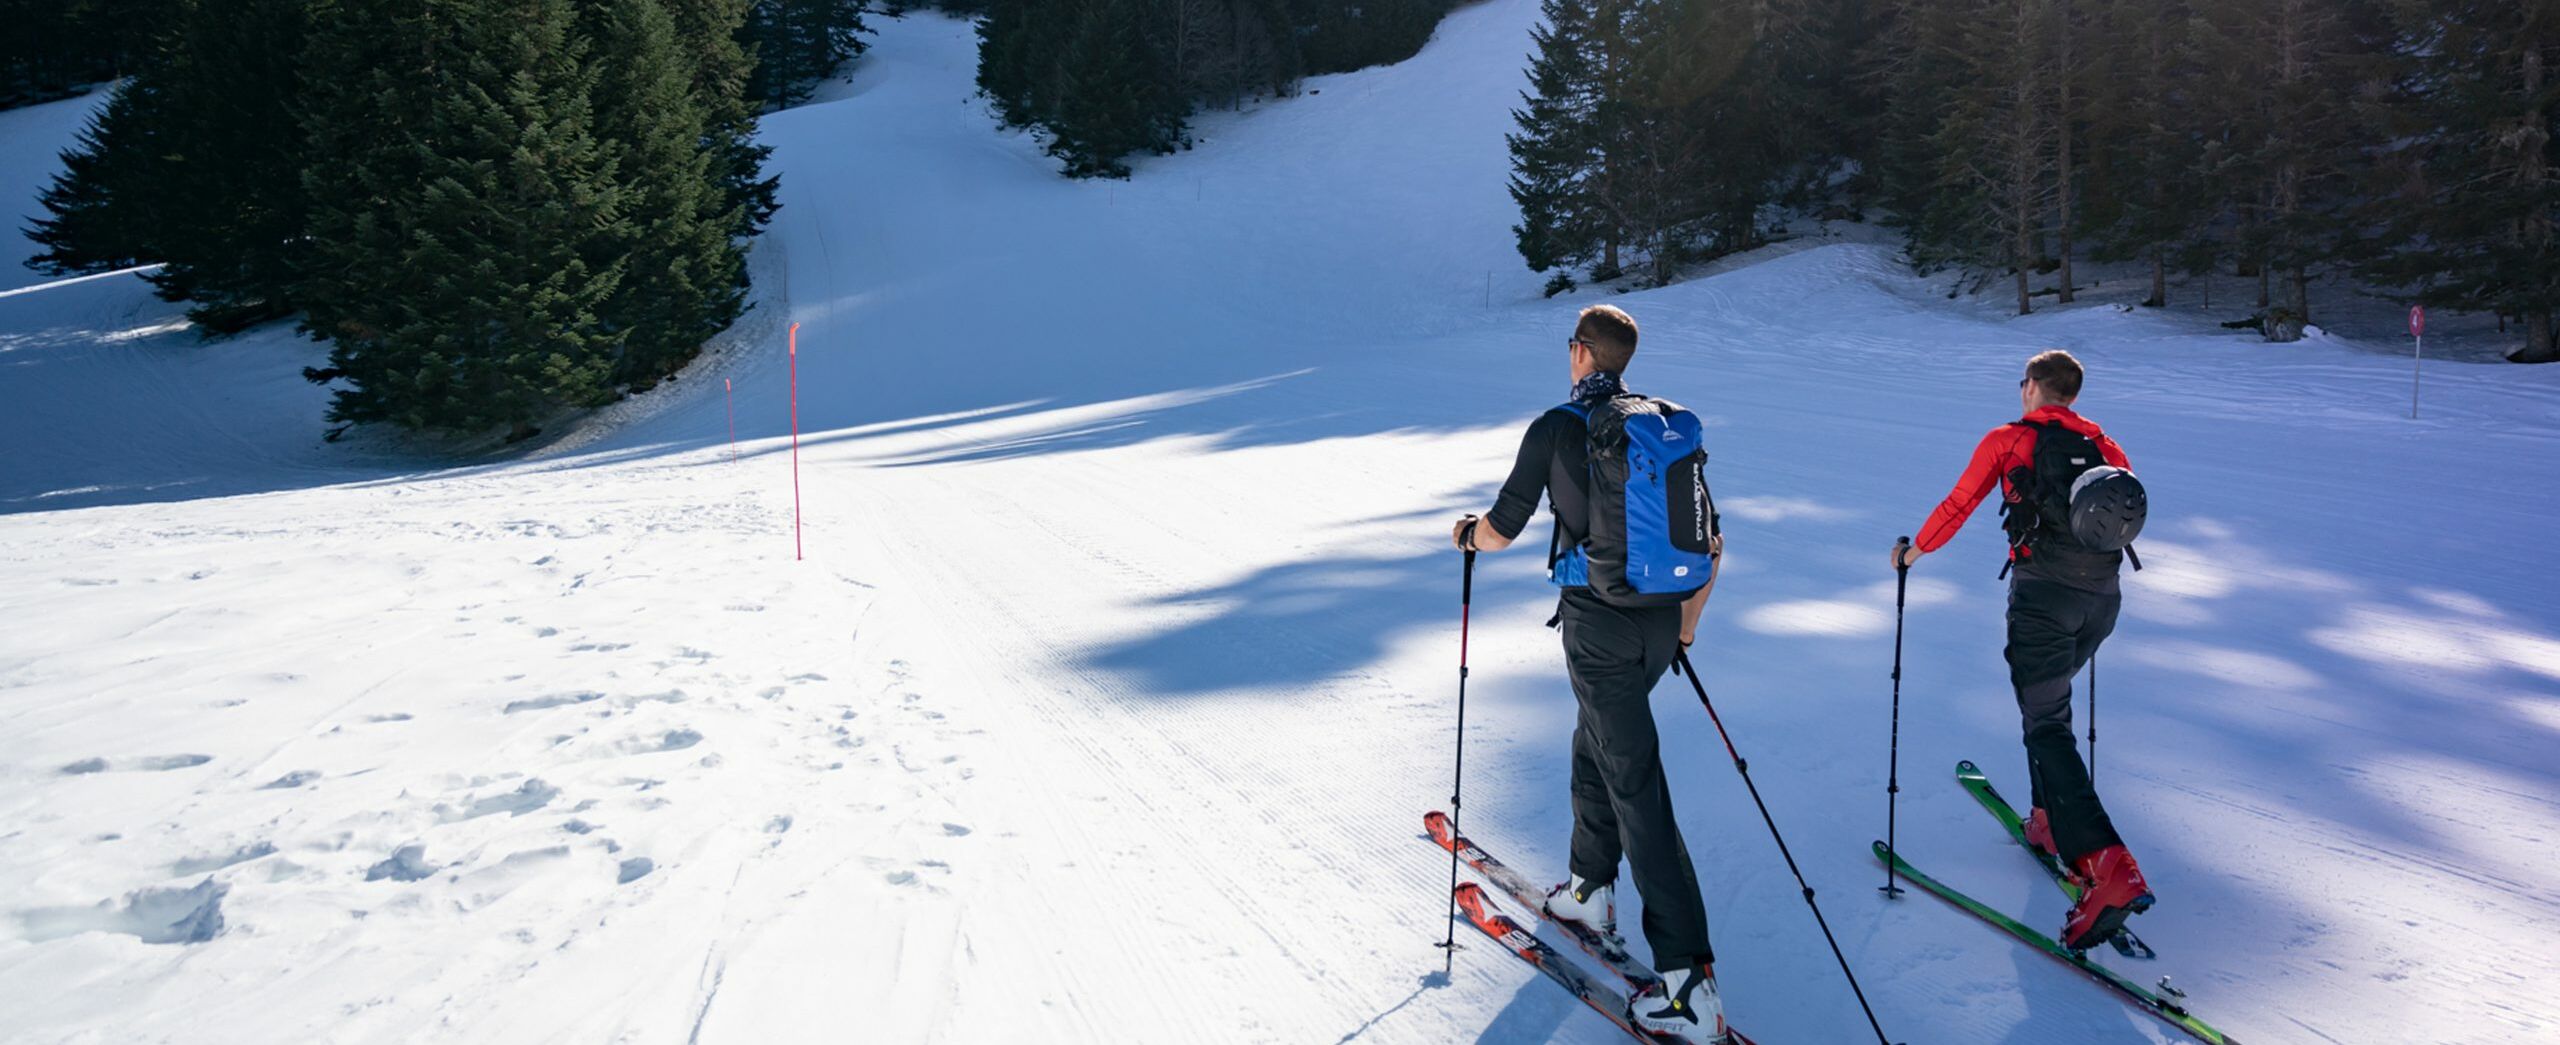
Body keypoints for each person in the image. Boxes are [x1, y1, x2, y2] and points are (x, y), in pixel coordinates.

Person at [1451, 304, 1726, 1041]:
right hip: (1661, 622)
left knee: (1638, 785)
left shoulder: (1557, 427)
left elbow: (1502, 530)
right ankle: (1586, 889)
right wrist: (1686, 627)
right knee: (1596, 742)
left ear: (1580, 353)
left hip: (1597, 627)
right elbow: (1713, 540)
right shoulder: (1660, 428)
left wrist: (1464, 535)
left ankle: (1690, 987)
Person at [1890, 349, 2154, 951]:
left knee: (2046, 724)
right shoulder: (2108, 446)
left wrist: (1912, 555)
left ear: (2033, 386)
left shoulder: (2010, 439)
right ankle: (2046, 822)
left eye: (2022, 383)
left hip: (2043, 603)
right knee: (2047, 711)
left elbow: (1961, 503)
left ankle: (2106, 863)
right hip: (2102, 602)